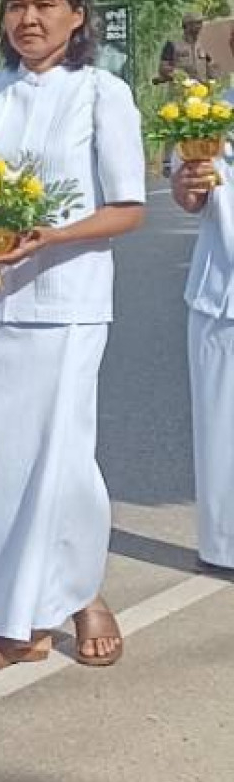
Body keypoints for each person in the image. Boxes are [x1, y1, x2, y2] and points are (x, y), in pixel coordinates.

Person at [0, 0, 146, 675]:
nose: (27, 19)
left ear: (77, 16)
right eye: (15, 6)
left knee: (60, 468)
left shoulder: (101, 94)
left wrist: (51, 238)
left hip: (65, 305)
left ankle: (78, 590)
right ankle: (11, 622)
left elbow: (126, 208)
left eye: (44, 5)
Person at [172, 125, 234, 572]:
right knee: (220, 428)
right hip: (221, 291)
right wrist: (187, 185)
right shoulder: (206, 116)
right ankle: (224, 545)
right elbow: (189, 198)